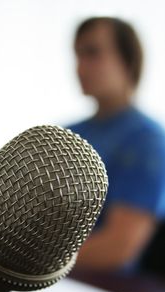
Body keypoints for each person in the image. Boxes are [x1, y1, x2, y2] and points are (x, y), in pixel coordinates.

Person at [67, 17, 165, 273]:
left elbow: (118, 247)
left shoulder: (147, 141)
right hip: (55, 282)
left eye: (93, 53)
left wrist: (32, 262)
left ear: (128, 61)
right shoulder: (65, 135)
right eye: (77, 55)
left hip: (111, 290)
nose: (79, 67)